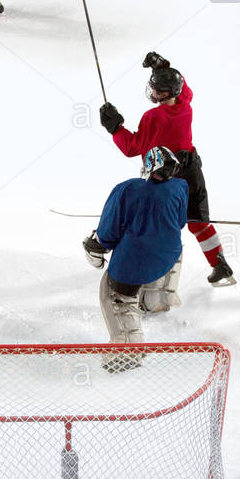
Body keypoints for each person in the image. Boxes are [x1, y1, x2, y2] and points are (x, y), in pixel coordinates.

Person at [98, 51, 235, 289]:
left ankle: (153, 272)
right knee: (198, 221)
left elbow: (133, 147)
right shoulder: (185, 104)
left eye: (155, 88)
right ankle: (219, 263)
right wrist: (163, 69)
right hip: (192, 169)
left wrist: (116, 128)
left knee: (162, 221)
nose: (152, 92)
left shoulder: (153, 117)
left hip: (167, 176)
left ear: (162, 93)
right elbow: (184, 88)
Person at [82, 147, 189, 373]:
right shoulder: (181, 187)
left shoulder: (128, 189)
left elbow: (108, 235)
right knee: (161, 255)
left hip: (135, 264)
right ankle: (155, 301)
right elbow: (179, 222)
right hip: (169, 256)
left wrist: (97, 242)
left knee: (112, 293)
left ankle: (128, 352)